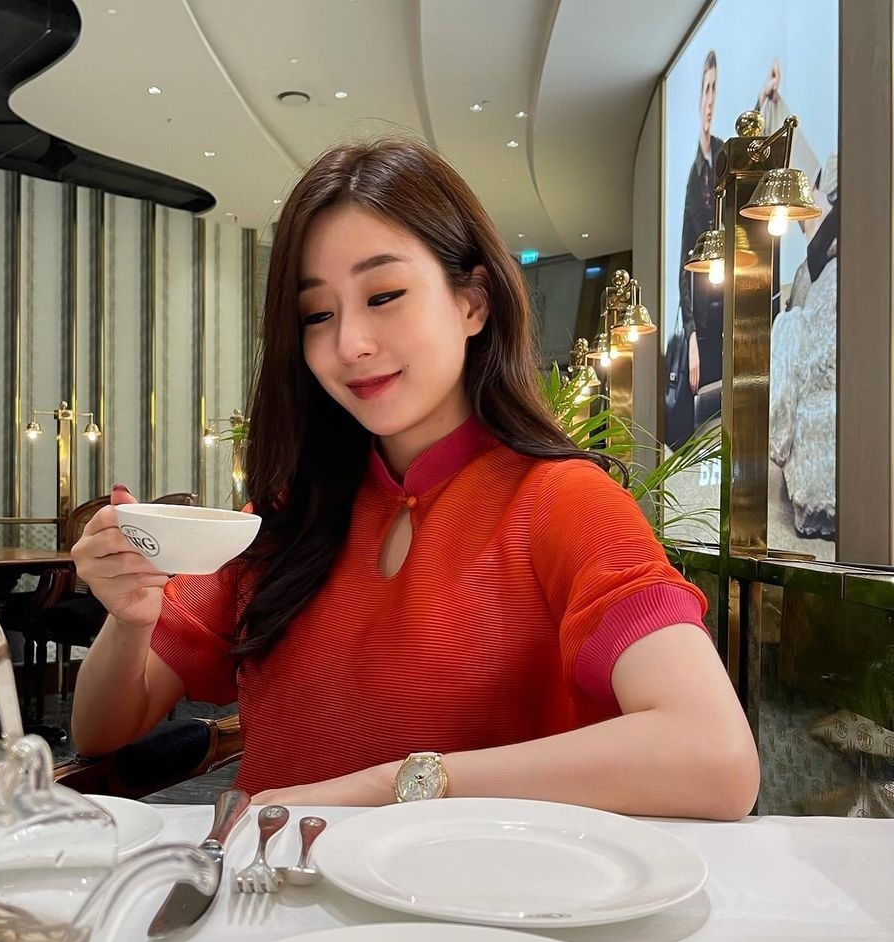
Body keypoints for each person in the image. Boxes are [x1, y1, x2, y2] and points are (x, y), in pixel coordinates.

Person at [71, 139, 759, 819]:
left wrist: (396, 786)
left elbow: (716, 755)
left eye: (384, 295)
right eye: (317, 315)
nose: (349, 344)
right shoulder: (283, 517)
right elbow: (102, 732)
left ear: (473, 303)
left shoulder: (562, 501)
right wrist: (131, 620)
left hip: (466, 888)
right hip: (269, 882)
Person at [678, 49, 724, 401]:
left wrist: (764, 95)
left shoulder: (724, 155)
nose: (709, 100)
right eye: (705, 89)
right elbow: (685, 261)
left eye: (714, 89)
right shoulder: (694, 177)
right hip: (705, 320)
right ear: (698, 99)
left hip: (731, 305)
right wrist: (691, 335)